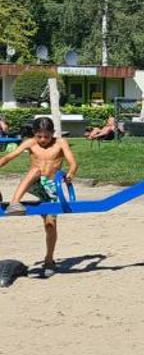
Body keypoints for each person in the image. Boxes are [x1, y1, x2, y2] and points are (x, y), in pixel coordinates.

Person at [0, 118, 76, 276]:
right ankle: (15, 202)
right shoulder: (31, 143)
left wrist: (70, 173)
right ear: (34, 133)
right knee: (35, 170)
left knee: (50, 224)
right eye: (39, 136)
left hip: (51, 187)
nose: (42, 140)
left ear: (52, 133)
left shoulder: (60, 143)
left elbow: (73, 163)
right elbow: (9, 157)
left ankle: (49, 259)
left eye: (46, 136)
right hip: (35, 183)